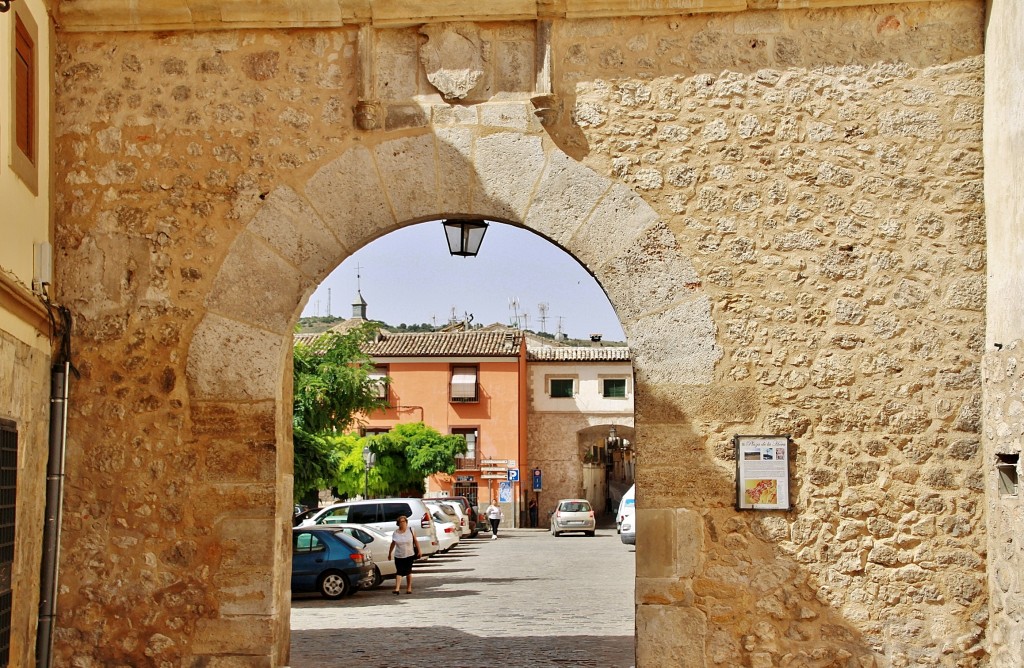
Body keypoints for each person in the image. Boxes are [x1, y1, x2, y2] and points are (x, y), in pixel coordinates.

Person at [387, 515, 421, 594]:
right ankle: (397, 589)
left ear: (406, 522)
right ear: (398, 523)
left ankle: (409, 588)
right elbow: (393, 543)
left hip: (409, 554)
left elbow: (415, 541)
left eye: (404, 521)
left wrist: (419, 550)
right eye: (401, 522)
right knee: (399, 571)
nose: (402, 523)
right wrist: (389, 553)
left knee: (408, 571)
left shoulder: (411, 530)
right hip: (398, 555)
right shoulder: (395, 532)